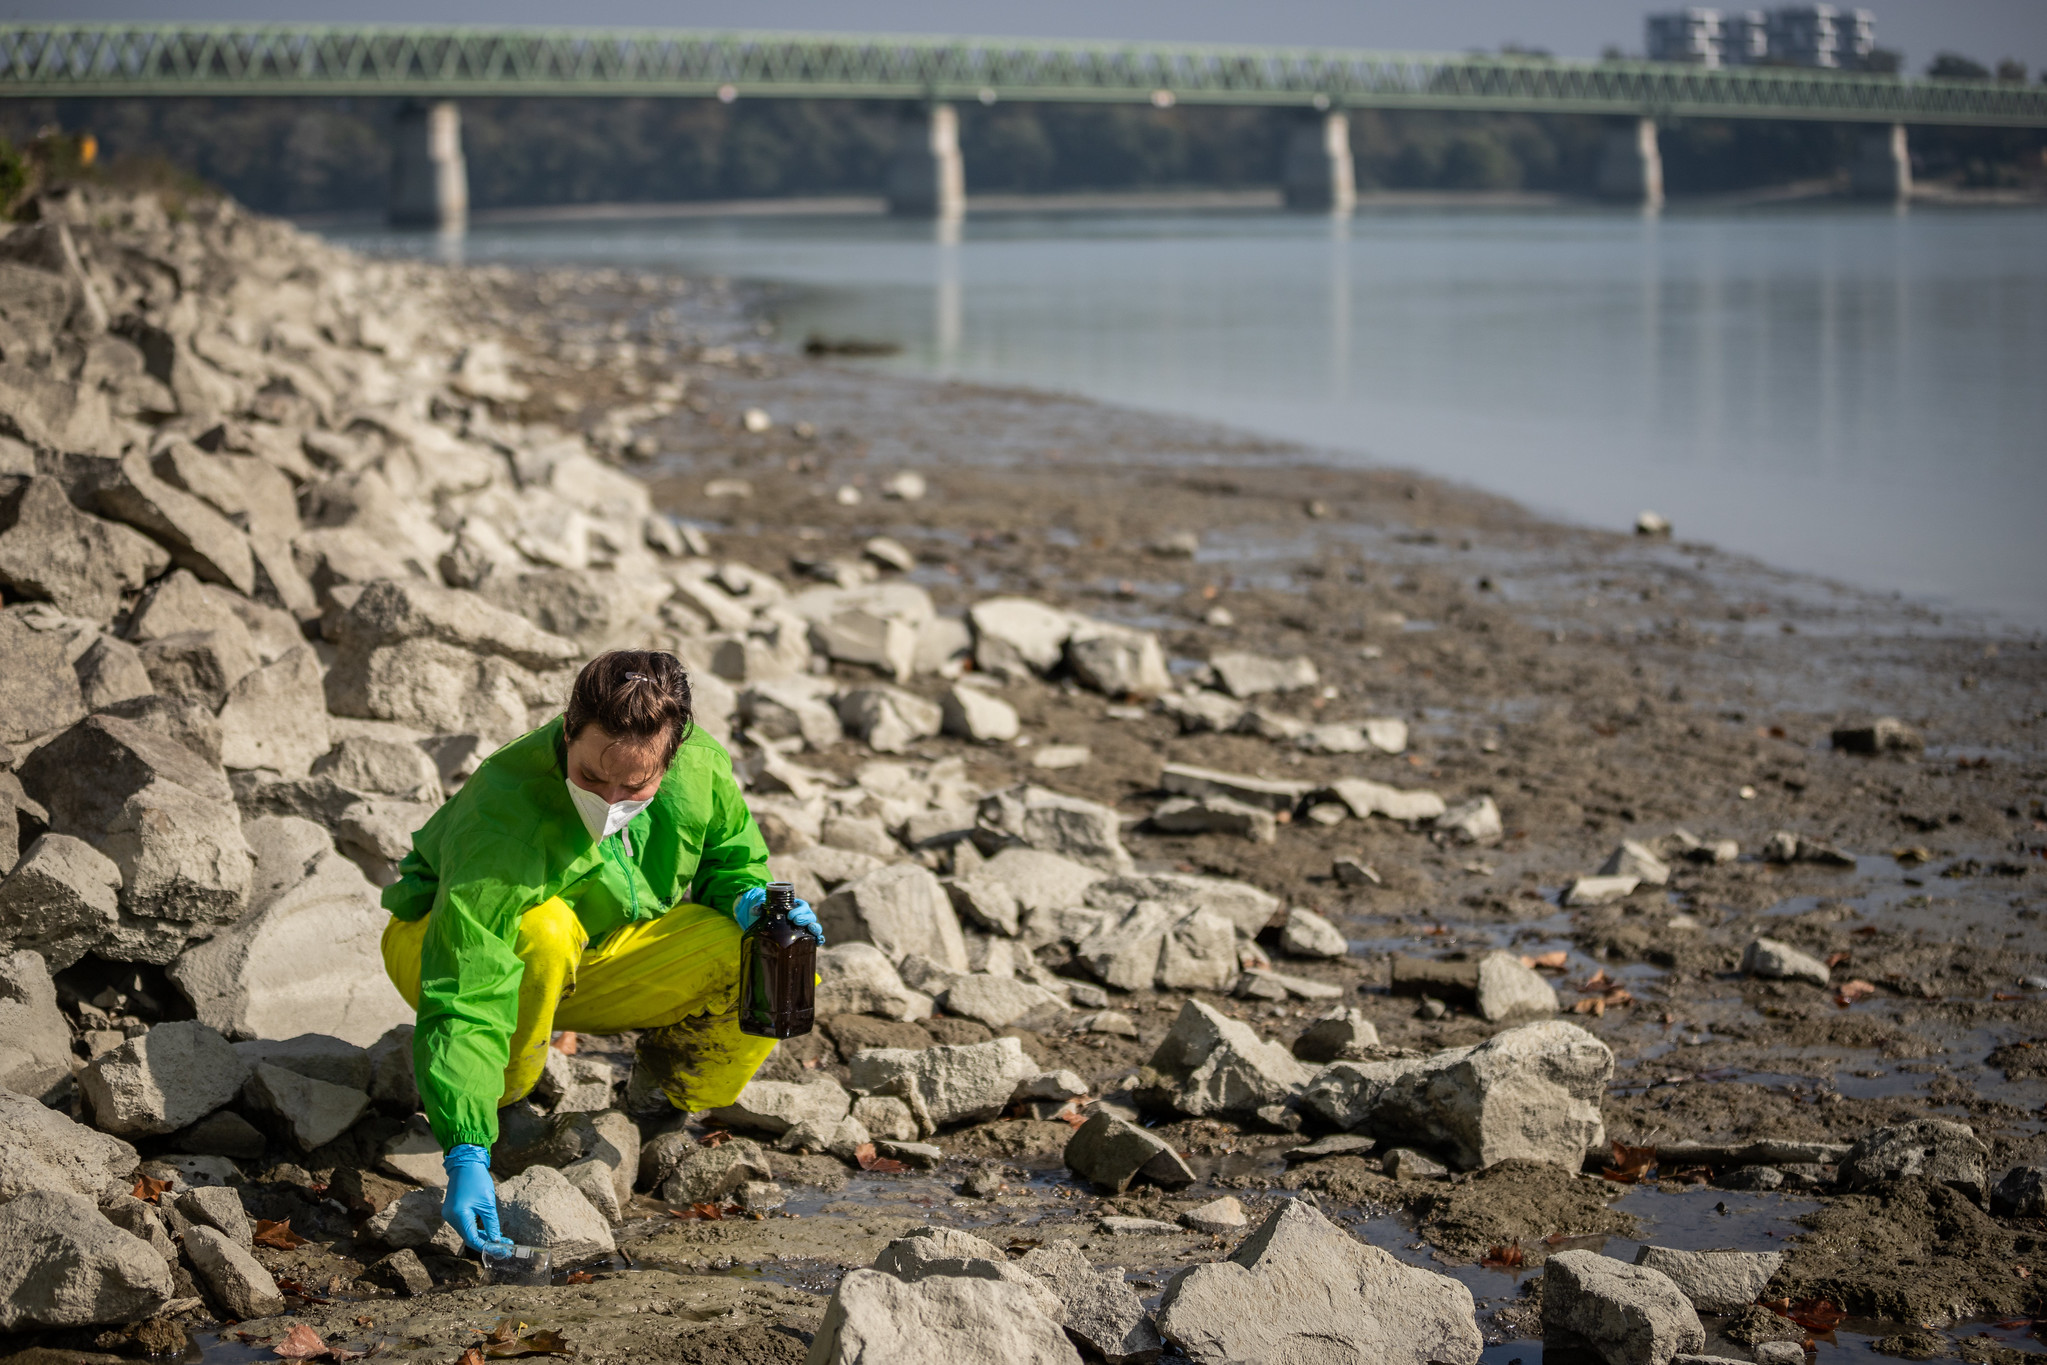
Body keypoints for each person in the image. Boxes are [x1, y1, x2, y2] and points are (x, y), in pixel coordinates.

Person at [378, 649, 823, 1254]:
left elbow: (733, 864)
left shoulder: (700, 769)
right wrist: (463, 1148)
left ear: (672, 753)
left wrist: (750, 901)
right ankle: (504, 1113)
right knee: (543, 928)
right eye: (590, 777)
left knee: (762, 949)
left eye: (635, 785)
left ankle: (659, 1102)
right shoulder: (503, 814)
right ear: (568, 731)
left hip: (596, 950)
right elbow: (466, 989)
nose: (611, 798)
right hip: (442, 944)